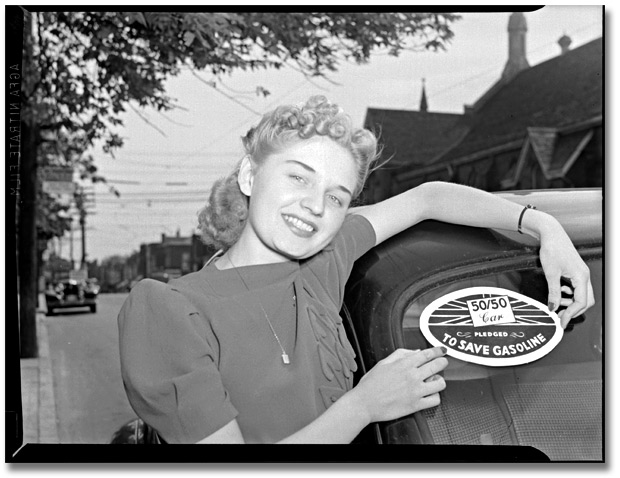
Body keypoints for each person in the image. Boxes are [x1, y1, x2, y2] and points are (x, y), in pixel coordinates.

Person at [117, 96, 594, 444]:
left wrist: (546, 229)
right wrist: (365, 405)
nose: (314, 206)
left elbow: (429, 197)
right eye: (298, 176)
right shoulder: (168, 311)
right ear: (249, 175)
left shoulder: (326, 261)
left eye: (336, 196)